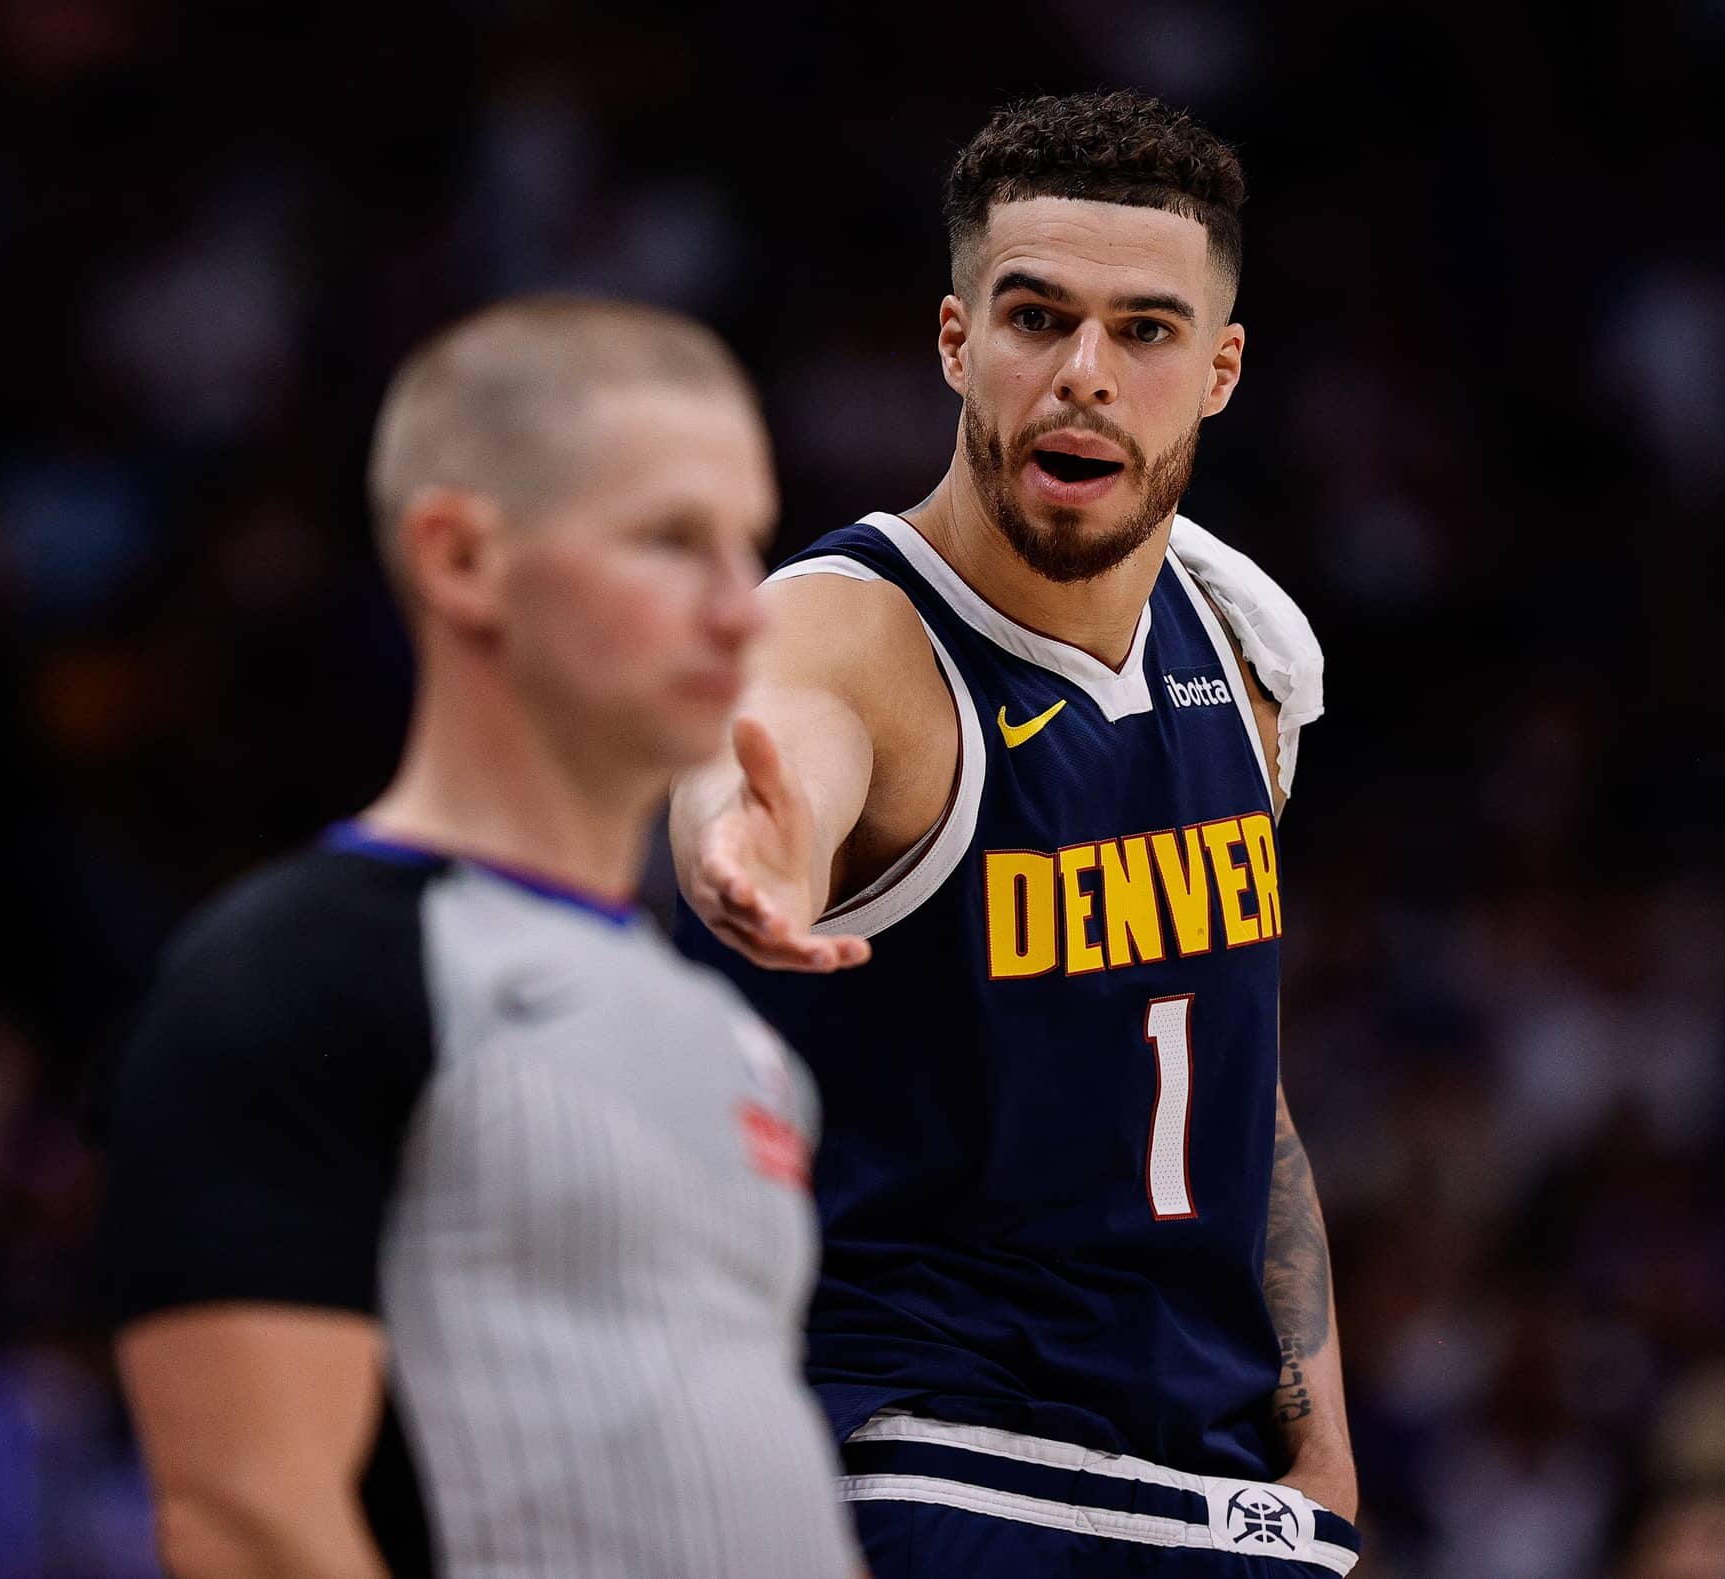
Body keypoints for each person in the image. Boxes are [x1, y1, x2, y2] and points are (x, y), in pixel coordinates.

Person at [672, 90, 1359, 1574]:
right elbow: (774, 746)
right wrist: (746, 853)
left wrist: (1323, 1447)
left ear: (1222, 369)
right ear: (954, 342)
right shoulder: (854, 630)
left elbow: (1230, 1062)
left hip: (1212, 1479)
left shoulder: (1245, 647)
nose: (1083, 375)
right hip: (938, 1459)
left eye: (1146, 331)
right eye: (1036, 317)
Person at [101, 297, 860, 1579]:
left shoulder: (730, 1031)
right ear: (460, 558)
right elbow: (244, 1520)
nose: (744, 611)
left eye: (750, 543)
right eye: (672, 541)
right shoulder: (291, 973)